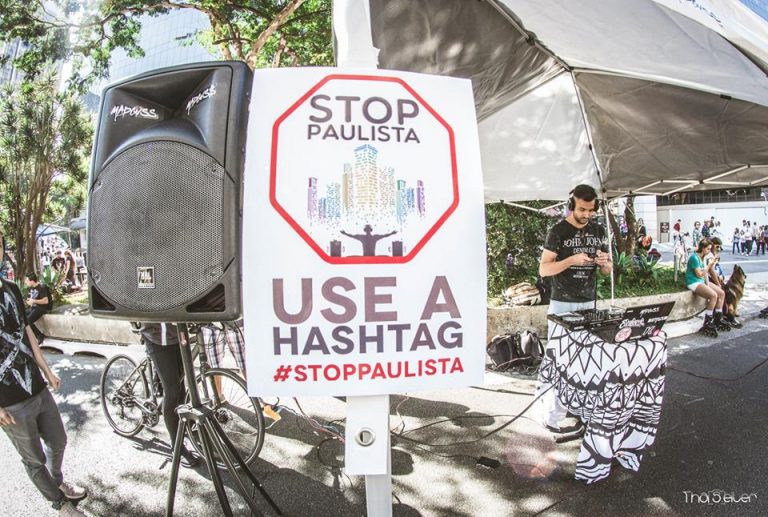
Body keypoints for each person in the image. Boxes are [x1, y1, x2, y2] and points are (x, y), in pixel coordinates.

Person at [0, 278, 87, 516]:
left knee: (58, 440)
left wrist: (46, 369)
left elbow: (26, 330)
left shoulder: (12, 288)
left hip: (36, 385)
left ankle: (56, 480)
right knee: (34, 460)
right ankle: (61, 505)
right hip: (8, 400)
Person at [537, 184, 612, 430]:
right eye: (582, 209)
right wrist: (570, 260)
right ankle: (552, 417)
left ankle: (580, 409)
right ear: (572, 205)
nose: (586, 215)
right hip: (561, 304)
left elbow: (607, 270)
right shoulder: (557, 231)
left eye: (591, 210)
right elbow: (544, 269)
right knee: (559, 360)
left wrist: (604, 263)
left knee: (587, 361)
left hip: (588, 303)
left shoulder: (598, 229)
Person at [135, 322, 200, 468]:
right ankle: (176, 446)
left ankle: (185, 427)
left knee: (182, 388)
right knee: (172, 391)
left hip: (178, 336)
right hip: (157, 339)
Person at [686, 238, 729, 335]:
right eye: (708, 249)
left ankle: (718, 318)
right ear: (703, 248)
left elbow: (705, 275)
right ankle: (708, 321)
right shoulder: (694, 258)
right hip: (693, 282)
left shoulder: (703, 257)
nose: (710, 251)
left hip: (701, 281)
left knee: (721, 293)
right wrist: (709, 265)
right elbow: (699, 274)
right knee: (713, 296)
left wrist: (709, 284)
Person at [25, 273, 53, 343]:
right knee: (22, 315)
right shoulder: (31, 288)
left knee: (28, 320)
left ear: (32, 281)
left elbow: (46, 301)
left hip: (43, 308)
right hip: (35, 307)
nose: (25, 282)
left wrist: (34, 301)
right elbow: (29, 300)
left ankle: (39, 335)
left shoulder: (42, 287)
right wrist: (29, 302)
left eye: (27, 280)